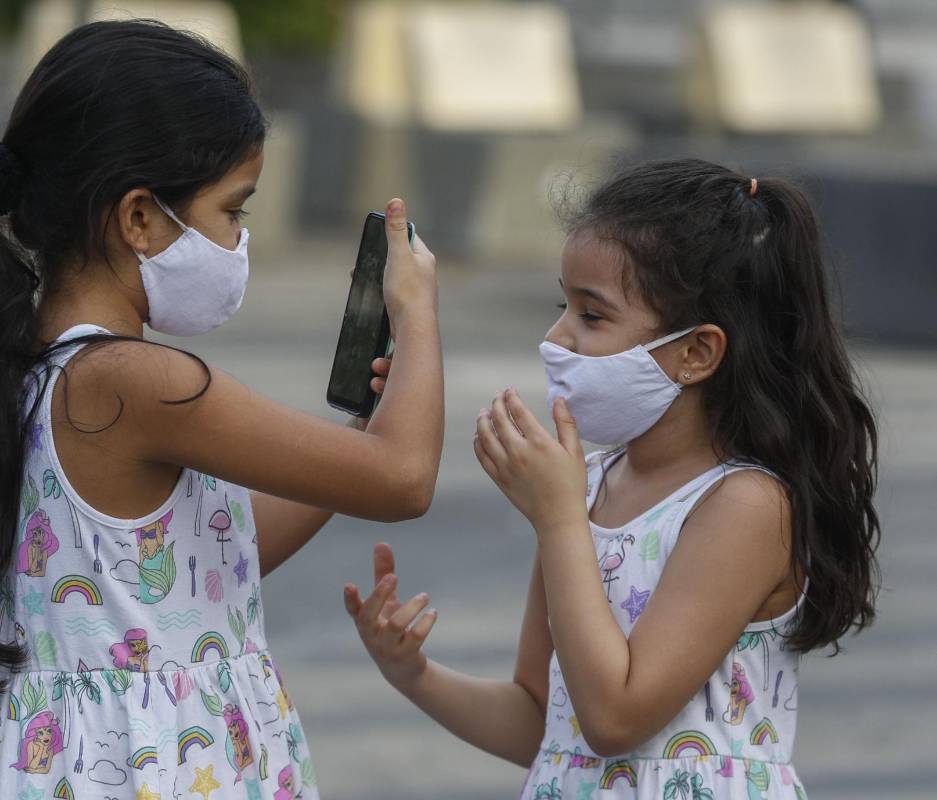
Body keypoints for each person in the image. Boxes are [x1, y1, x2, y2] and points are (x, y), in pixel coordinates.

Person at [0, 19, 443, 799]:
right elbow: (403, 481)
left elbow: (201, 567)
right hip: (157, 765)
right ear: (137, 217)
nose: (238, 241)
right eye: (232, 212)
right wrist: (416, 313)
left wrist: (355, 435)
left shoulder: (32, 361)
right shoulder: (137, 380)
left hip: (82, 760)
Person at [345, 159, 879, 798]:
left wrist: (559, 519)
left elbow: (615, 717)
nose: (556, 337)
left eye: (592, 316)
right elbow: (543, 720)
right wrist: (415, 675)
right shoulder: (588, 487)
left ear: (696, 352)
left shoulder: (745, 505)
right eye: (562, 305)